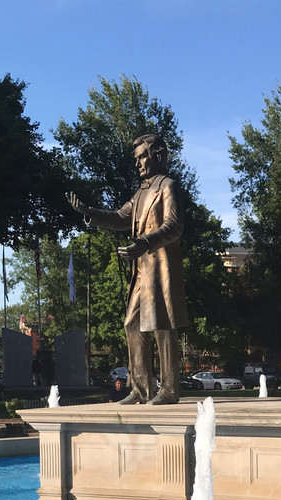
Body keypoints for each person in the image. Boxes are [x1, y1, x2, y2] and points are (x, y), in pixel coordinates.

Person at [67, 134, 188, 405]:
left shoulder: (167, 186)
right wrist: (90, 212)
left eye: (143, 156)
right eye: (137, 159)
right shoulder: (141, 192)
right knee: (132, 323)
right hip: (141, 270)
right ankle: (141, 389)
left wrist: (145, 242)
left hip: (159, 267)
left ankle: (169, 390)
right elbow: (121, 218)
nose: (139, 164)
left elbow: (174, 226)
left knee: (162, 327)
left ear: (157, 156)